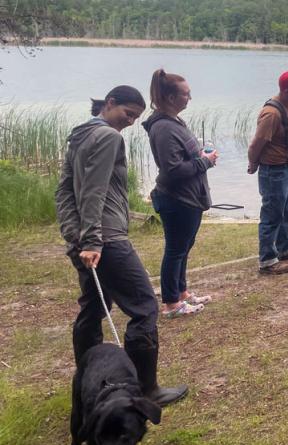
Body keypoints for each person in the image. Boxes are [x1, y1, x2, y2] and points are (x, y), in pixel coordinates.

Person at [55, 85, 188, 406]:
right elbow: (94, 191)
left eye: (136, 117)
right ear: (109, 103)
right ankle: (145, 390)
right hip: (106, 239)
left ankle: (89, 383)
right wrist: (91, 240)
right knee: (144, 307)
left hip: (86, 239)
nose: (130, 122)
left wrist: (74, 235)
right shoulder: (108, 137)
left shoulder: (79, 136)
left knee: (93, 307)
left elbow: (64, 191)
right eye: (128, 114)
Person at [142, 69, 217, 318]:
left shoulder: (173, 122)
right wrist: (205, 162)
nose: (189, 98)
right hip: (177, 199)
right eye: (186, 94)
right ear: (171, 97)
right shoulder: (163, 128)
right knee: (175, 250)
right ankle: (171, 304)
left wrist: (201, 157)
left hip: (187, 198)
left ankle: (181, 293)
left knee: (183, 247)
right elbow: (173, 169)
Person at [247, 70, 288, 274]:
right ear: (286, 91)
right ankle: (267, 260)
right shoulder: (272, 113)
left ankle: (284, 247)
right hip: (273, 172)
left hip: (286, 169)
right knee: (272, 215)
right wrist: (253, 163)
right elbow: (256, 144)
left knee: (287, 210)